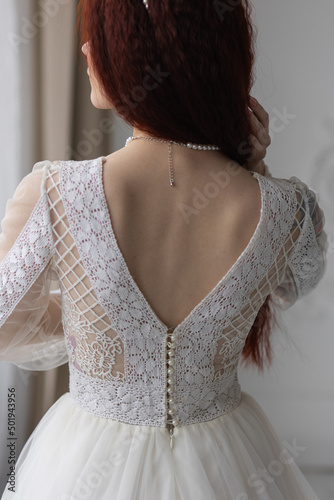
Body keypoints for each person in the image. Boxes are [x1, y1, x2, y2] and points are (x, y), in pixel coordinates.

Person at [0, 0, 327, 499]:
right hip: (232, 461)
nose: (86, 48)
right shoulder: (287, 208)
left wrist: (91, 317)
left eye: (101, 38)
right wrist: (253, 175)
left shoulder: (56, 193)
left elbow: (5, 325)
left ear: (139, 59)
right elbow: (288, 288)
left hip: (85, 461)